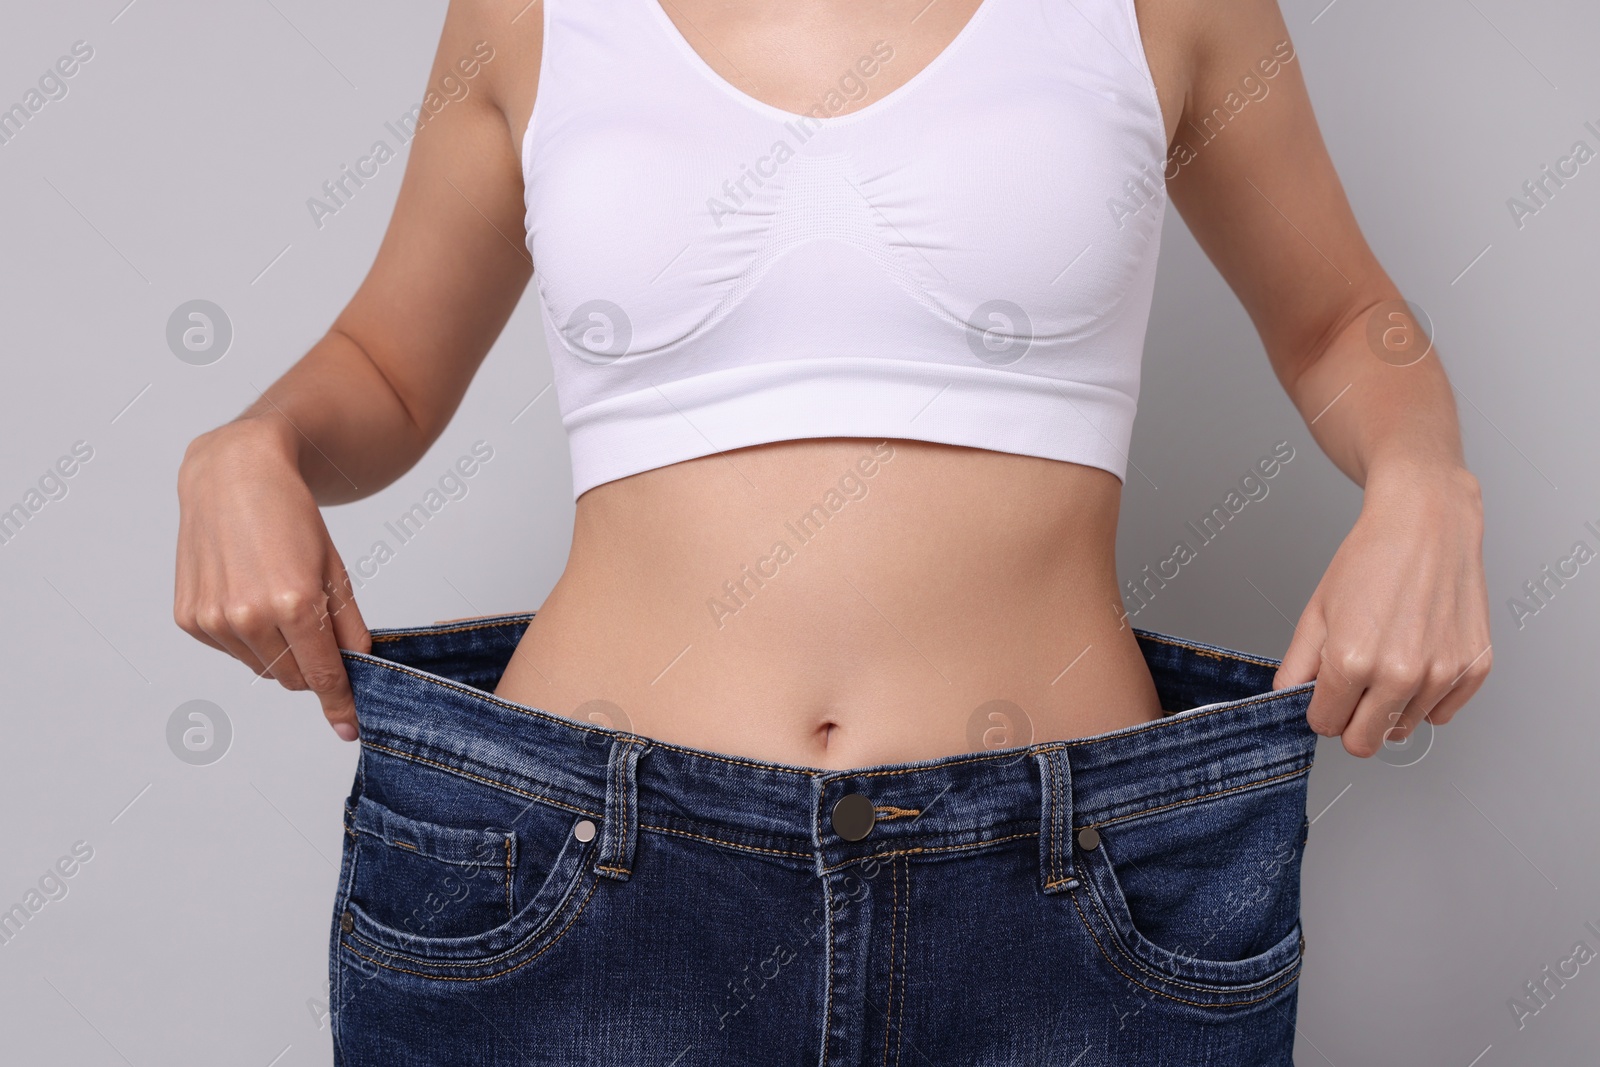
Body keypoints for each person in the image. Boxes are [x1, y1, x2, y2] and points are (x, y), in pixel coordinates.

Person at [174, 0, 1491, 1061]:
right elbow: (387, 367)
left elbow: (1340, 325)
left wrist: (1426, 480)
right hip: (580, 908)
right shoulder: (531, 15)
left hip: (1067, 917)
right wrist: (254, 443)